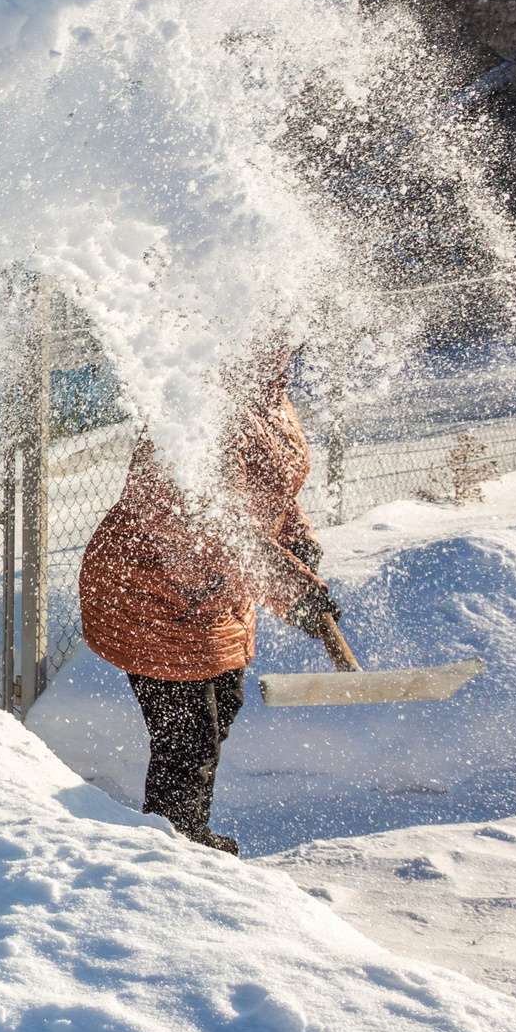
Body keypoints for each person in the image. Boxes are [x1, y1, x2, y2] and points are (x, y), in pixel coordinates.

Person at [77, 349, 341, 854]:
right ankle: (179, 847)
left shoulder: (270, 402)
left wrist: (295, 535)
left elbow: (270, 487)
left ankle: (182, 828)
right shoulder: (199, 407)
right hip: (153, 593)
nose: (286, 342)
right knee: (188, 737)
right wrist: (293, 589)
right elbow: (211, 525)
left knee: (223, 707)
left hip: (215, 592)